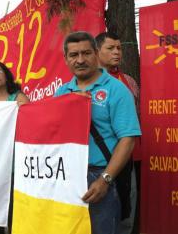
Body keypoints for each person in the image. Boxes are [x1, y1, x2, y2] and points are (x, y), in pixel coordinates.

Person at [54, 31, 141, 234]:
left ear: (95, 54)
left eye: (86, 53)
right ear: (66, 59)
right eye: (74, 55)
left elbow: (128, 140)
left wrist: (105, 179)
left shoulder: (117, 90)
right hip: (71, 177)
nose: (80, 60)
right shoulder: (61, 93)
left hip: (104, 176)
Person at [95, 32, 140, 234]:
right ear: (97, 51)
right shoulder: (86, 83)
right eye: (110, 48)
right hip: (97, 162)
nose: (116, 52)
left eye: (119, 48)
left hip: (127, 157)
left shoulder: (129, 82)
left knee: (126, 210)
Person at [0, 60, 29, 234]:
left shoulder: (19, 98)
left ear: (6, 75)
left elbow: (29, 129)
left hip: (14, 167)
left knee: (13, 215)